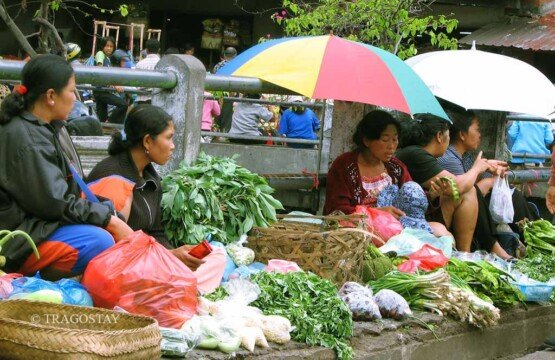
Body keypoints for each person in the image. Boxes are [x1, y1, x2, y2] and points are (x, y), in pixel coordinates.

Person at [0, 55, 133, 279]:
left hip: (40, 217)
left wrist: (108, 213)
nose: (75, 98)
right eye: (72, 91)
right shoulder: (28, 138)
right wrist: (108, 220)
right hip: (18, 237)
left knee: (116, 190)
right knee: (99, 239)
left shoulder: (46, 125)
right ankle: (46, 280)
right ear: (51, 96)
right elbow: (54, 203)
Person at [86, 105, 226, 294]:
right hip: (123, 266)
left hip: (150, 259)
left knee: (217, 254)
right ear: (147, 141)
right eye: (168, 137)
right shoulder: (113, 179)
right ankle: (183, 289)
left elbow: (156, 231)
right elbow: (113, 247)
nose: (173, 145)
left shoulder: (151, 178)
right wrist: (169, 257)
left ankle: (182, 287)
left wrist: (176, 256)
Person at [396, 114, 512, 259]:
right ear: (439, 136)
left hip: (422, 213)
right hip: (409, 219)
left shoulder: (420, 154)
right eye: (449, 135)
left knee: (470, 190)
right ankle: (467, 254)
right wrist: (477, 168)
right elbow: (457, 186)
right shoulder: (415, 154)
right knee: (469, 191)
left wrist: (484, 166)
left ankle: (474, 252)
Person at [324, 110, 450, 237]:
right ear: (367, 140)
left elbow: (410, 204)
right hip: (359, 229)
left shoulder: (396, 167)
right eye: (385, 139)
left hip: (396, 225)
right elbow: (338, 211)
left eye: (395, 139)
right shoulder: (344, 166)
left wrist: (430, 196)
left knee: (443, 232)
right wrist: (377, 213)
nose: (392, 146)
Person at [93, 37, 128, 123]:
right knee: (123, 105)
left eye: (111, 46)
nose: (109, 48)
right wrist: (115, 85)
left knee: (102, 117)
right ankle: (109, 122)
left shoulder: (108, 59)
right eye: (107, 46)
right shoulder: (100, 54)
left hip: (103, 90)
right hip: (100, 90)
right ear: (102, 46)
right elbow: (100, 71)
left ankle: (104, 127)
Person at [135, 38, 161, 104]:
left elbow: (135, 82)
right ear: (159, 50)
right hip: (157, 99)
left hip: (141, 99)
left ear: (146, 50)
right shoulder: (162, 63)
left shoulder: (139, 64)